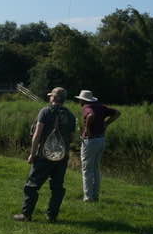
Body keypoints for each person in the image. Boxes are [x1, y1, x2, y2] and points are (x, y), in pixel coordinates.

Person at [13, 87, 77, 222]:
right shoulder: (70, 115)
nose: (49, 98)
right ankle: (52, 216)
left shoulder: (45, 111)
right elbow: (71, 138)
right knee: (57, 188)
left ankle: (26, 215)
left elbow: (36, 135)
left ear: (53, 98)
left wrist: (32, 154)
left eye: (50, 96)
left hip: (44, 156)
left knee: (32, 185)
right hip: (62, 157)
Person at [73, 89, 121, 202]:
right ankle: (95, 196)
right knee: (95, 168)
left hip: (90, 141)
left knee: (86, 169)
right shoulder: (101, 106)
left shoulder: (86, 108)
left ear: (83, 100)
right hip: (101, 139)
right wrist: (106, 124)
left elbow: (90, 115)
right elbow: (118, 113)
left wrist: (88, 130)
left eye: (80, 100)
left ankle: (88, 197)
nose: (79, 102)